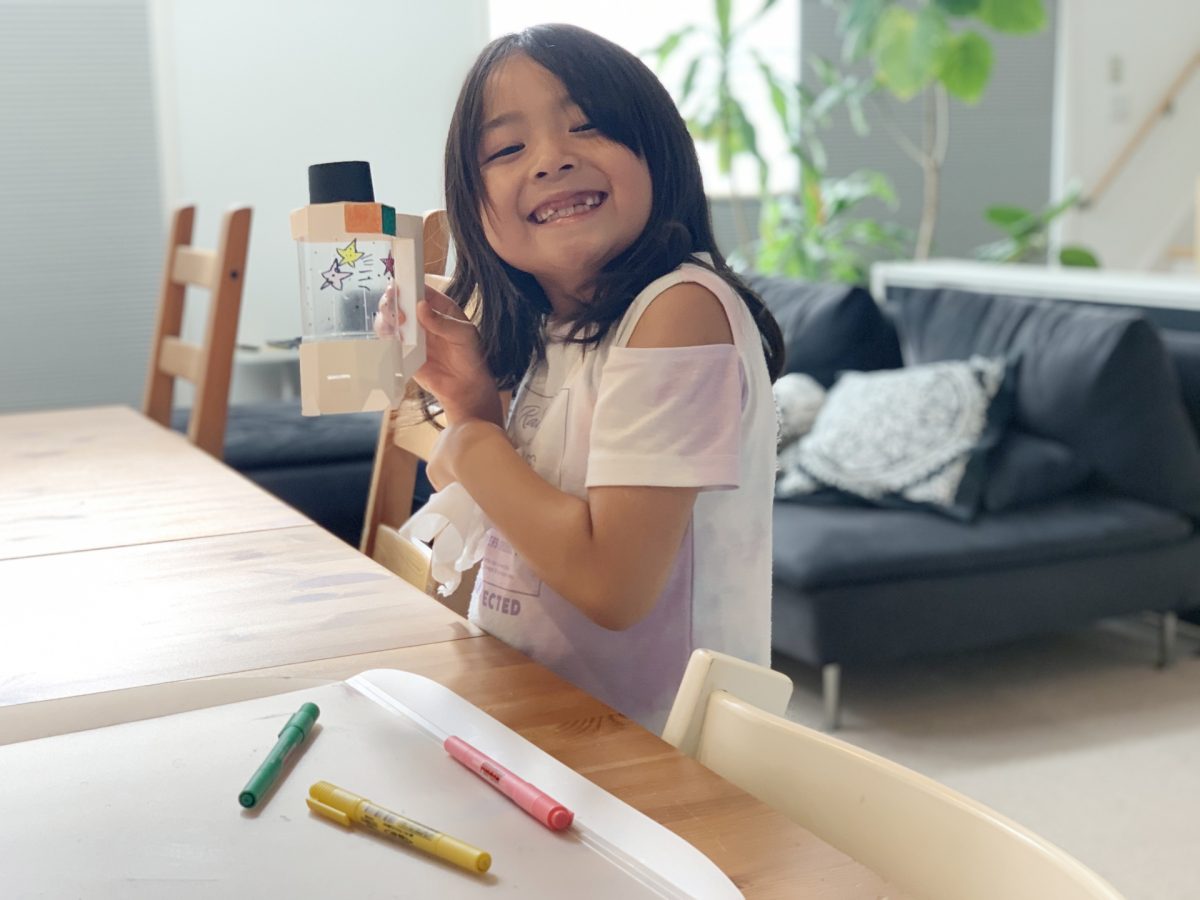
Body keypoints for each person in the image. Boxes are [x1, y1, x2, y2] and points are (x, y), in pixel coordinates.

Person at [378, 23, 785, 732]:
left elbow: (612, 584)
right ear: (474, 205)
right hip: (542, 718)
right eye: (507, 149)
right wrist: (474, 405)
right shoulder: (551, 327)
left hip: (661, 753)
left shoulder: (679, 311)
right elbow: (519, 518)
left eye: (588, 126)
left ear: (659, 151)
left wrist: (472, 441)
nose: (551, 159)